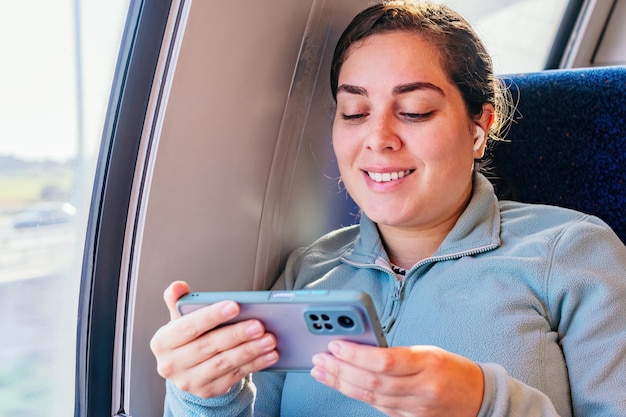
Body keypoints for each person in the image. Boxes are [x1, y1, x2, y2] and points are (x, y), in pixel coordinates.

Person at [150, 1, 626, 416]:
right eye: (354, 113)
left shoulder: (572, 251)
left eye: (415, 110)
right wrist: (205, 395)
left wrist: (484, 402)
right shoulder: (308, 271)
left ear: (480, 126)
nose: (378, 139)